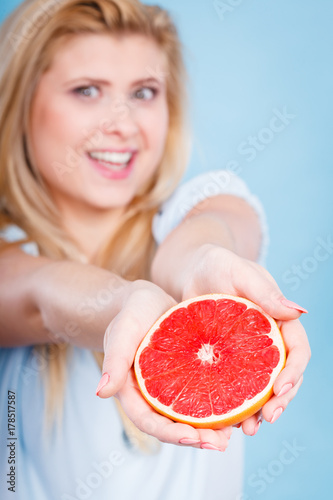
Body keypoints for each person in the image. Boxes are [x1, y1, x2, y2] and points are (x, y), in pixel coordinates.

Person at [0, 0, 310, 499]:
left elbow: (206, 238)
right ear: (20, 103)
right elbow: (39, 293)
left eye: (143, 93)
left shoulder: (200, 206)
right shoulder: (9, 253)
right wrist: (124, 305)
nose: (122, 124)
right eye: (87, 91)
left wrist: (202, 264)